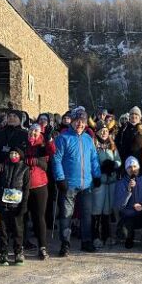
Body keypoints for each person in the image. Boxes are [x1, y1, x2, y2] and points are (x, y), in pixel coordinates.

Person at [52, 109, 102, 256]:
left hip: (86, 184)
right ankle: (65, 243)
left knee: (86, 214)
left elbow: (94, 159)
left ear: (86, 123)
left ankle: (86, 241)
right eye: (77, 121)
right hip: (68, 184)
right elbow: (56, 160)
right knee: (67, 215)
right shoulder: (63, 138)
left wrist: (97, 175)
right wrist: (60, 178)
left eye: (83, 121)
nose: (80, 124)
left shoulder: (88, 139)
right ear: (72, 121)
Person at [23, 123, 55, 259]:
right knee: (22, 216)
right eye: (31, 130)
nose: (33, 133)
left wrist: (49, 139)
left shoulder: (42, 144)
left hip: (39, 185)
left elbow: (52, 151)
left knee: (39, 217)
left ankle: (42, 247)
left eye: (36, 131)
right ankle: (21, 245)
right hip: (23, 185)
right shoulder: (24, 143)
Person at [114, 157, 142, 251]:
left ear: (138, 167)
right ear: (126, 169)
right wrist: (128, 191)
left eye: (134, 166)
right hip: (128, 216)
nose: (133, 169)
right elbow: (119, 206)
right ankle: (129, 237)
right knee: (124, 234)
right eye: (129, 167)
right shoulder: (121, 183)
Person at [0, 149, 31, 265]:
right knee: (3, 230)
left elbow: (26, 189)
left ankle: (18, 253)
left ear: (20, 155)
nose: (13, 155)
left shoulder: (25, 169)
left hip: (17, 205)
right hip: (4, 204)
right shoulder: (4, 167)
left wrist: (24, 206)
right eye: (11, 153)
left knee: (18, 230)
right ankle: (4, 253)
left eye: (15, 153)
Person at [93, 121, 121, 248]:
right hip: (100, 181)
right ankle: (96, 236)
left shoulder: (112, 144)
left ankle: (107, 234)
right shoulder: (94, 144)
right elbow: (91, 161)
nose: (104, 133)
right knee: (98, 208)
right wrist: (100, 170)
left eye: (106, 131)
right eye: (101, 131)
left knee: (107, 209)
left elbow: (118, 160)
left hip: (111, 180)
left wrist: (113, 165)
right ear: (97, 132)